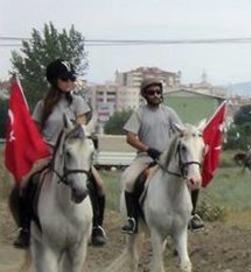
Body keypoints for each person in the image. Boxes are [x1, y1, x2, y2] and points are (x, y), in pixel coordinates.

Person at [11, 59, 108, 249]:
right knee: (25, 183)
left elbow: (80, 130)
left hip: (72, 155)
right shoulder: (43, 105)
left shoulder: (78, 103)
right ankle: (25, 229)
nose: (70, 82)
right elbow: (35, 131)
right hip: (48, 153)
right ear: (54, 80)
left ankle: (97, 227)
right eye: (65, 79)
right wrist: (41, 151)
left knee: (100, 185)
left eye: (72, 78)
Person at [120, 77, 205, 234]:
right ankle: (132, 219)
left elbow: (181, 132)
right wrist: (147, 149)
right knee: (130, 181)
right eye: (151, 92)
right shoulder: (139, 113)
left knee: (194, 181)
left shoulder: (169, 112)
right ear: (145, 95)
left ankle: (192, 216)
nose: (156, 95)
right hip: (145, 158)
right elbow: (130, 138)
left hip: (166, 159)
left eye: (158, 92)